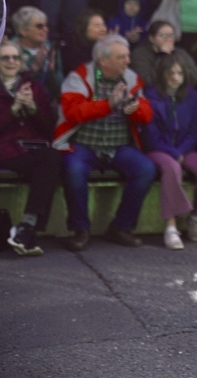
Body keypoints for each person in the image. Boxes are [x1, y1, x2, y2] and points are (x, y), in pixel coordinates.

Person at [54, 34, 157, 252]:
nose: (127, 61)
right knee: (73, 169)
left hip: (119, 146)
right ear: (103, 61)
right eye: (121, 57)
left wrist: (135, 109)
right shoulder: (80, 77)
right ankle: (80, 229)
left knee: (146, 169)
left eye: (127, 56)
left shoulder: (131, 79)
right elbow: (72, 112)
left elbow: (147, 114)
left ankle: (121, 227)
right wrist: (107, 105)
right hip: (84, 145)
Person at [143, 52, 197, 250]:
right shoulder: (150, 95)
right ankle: (171, 227)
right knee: (172, 168)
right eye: (170, 73)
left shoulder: (191, 95)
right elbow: (150, 137)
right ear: (162, 74)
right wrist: (175, 154)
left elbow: (195, 130)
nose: (175, 77)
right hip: (158, 148)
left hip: (184, 147)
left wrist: (182, 151)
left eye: (179, 73)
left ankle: (196, 216)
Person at [0, 41, 61, 256]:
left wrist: (33, 108)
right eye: (5, 57)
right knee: (46, 164)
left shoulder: (33, 86)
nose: (11, 61)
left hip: (31, 148)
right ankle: (27, 234)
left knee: (52, 158)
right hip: (3, 150)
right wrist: (13, 110)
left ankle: (28, 225)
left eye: (15, 57)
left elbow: (49, 127)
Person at [9, 6, 63, 97]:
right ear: (23, 31)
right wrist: (35, 68)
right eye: (39, 26)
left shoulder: (50, 48)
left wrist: (51, 70)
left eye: (46, 25)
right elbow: (12, 87)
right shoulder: (10, 51)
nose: (46, 30)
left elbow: (60, 89)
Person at [130, 19, 197, 89]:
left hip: (180, 93)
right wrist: (163, 56)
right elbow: (147, 81)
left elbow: (195, 77)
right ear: (152, 38)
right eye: (164, 35)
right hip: (152, 95)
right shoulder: (140, 54)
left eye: (172, 36)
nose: (169, 39)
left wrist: (178, 76)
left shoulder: (180, 53)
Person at [61, 8, 108, 75]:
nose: (103, 29)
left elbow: (99, 77)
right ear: (84, 28)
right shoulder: (72, 50)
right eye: (97, 26)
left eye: (103, 25)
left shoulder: (105, 48)